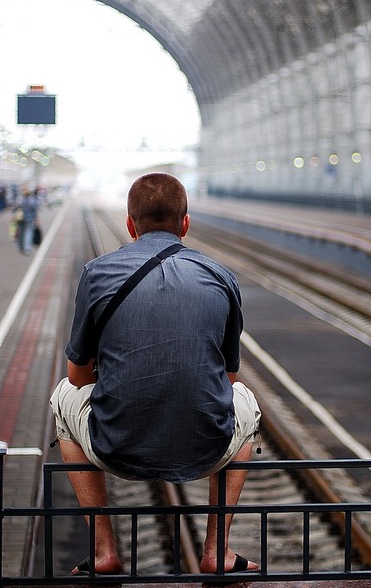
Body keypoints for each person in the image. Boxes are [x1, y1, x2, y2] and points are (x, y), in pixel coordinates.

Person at [50, 173, 261, 578]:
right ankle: (218, 550)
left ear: (130, 224)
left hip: (113, 447)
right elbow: (230, 377)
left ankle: (103, 551)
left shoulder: (97, 272)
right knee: (246, 402)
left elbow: (77, 378)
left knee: (62, 398)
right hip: (208, 448)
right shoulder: (221, 276)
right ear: (185, 223)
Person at [15, 187, 39, 255]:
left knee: (21, 233)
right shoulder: (32, 200)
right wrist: (36, 219)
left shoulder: (19, 200)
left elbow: (15, 208)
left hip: (20, 219)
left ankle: (20, 246)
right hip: (29, 219)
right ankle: (27, 248)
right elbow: (35, 209)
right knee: (28, 233)